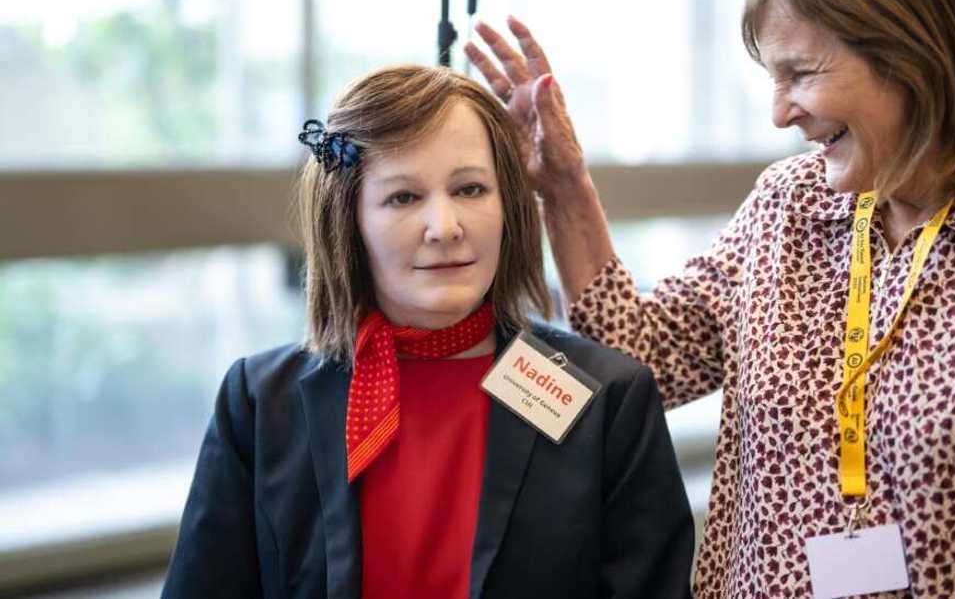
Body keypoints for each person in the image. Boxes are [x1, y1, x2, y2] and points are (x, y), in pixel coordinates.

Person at [465, 0, 955, 597]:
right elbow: (640, 362)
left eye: (800, 75)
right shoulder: (790, 204)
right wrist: (563, 186)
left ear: (908, 52)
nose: (780, 113)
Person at [161, 65, 694, 599]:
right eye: (403, 198)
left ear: (507, 204)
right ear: (349, 221)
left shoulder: (607, 401)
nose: (445, 227)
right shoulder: (261, 402)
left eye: (470, 189)